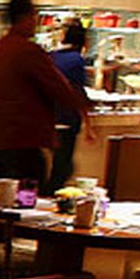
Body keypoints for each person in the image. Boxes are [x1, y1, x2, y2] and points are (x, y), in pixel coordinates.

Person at [0, 0, 88, 185]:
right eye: (34, 16)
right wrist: (83, 104)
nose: (35, 22)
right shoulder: (28, 51)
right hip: (21, 144)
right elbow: (61, 90)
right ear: (25, 18)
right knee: (26, 207)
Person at [47, 22, 89, 193]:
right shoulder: (76, 60)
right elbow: (78, 92)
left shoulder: (52, 56)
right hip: (66, 117)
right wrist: (88, 122)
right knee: (63, 165)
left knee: (57, 162)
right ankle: (52, 196)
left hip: (47, 116)